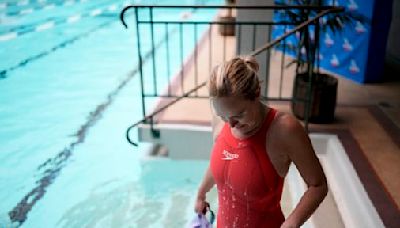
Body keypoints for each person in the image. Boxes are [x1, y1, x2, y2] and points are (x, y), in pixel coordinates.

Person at [194, 56, 328, 228]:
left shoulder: (284, 130)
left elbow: (318, 185)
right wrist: (201, 193)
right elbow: (222, 161)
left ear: (257, 92)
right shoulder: (223, 120)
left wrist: (292, 223)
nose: (231, 124)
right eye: (223, 116)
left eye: (239, 115)